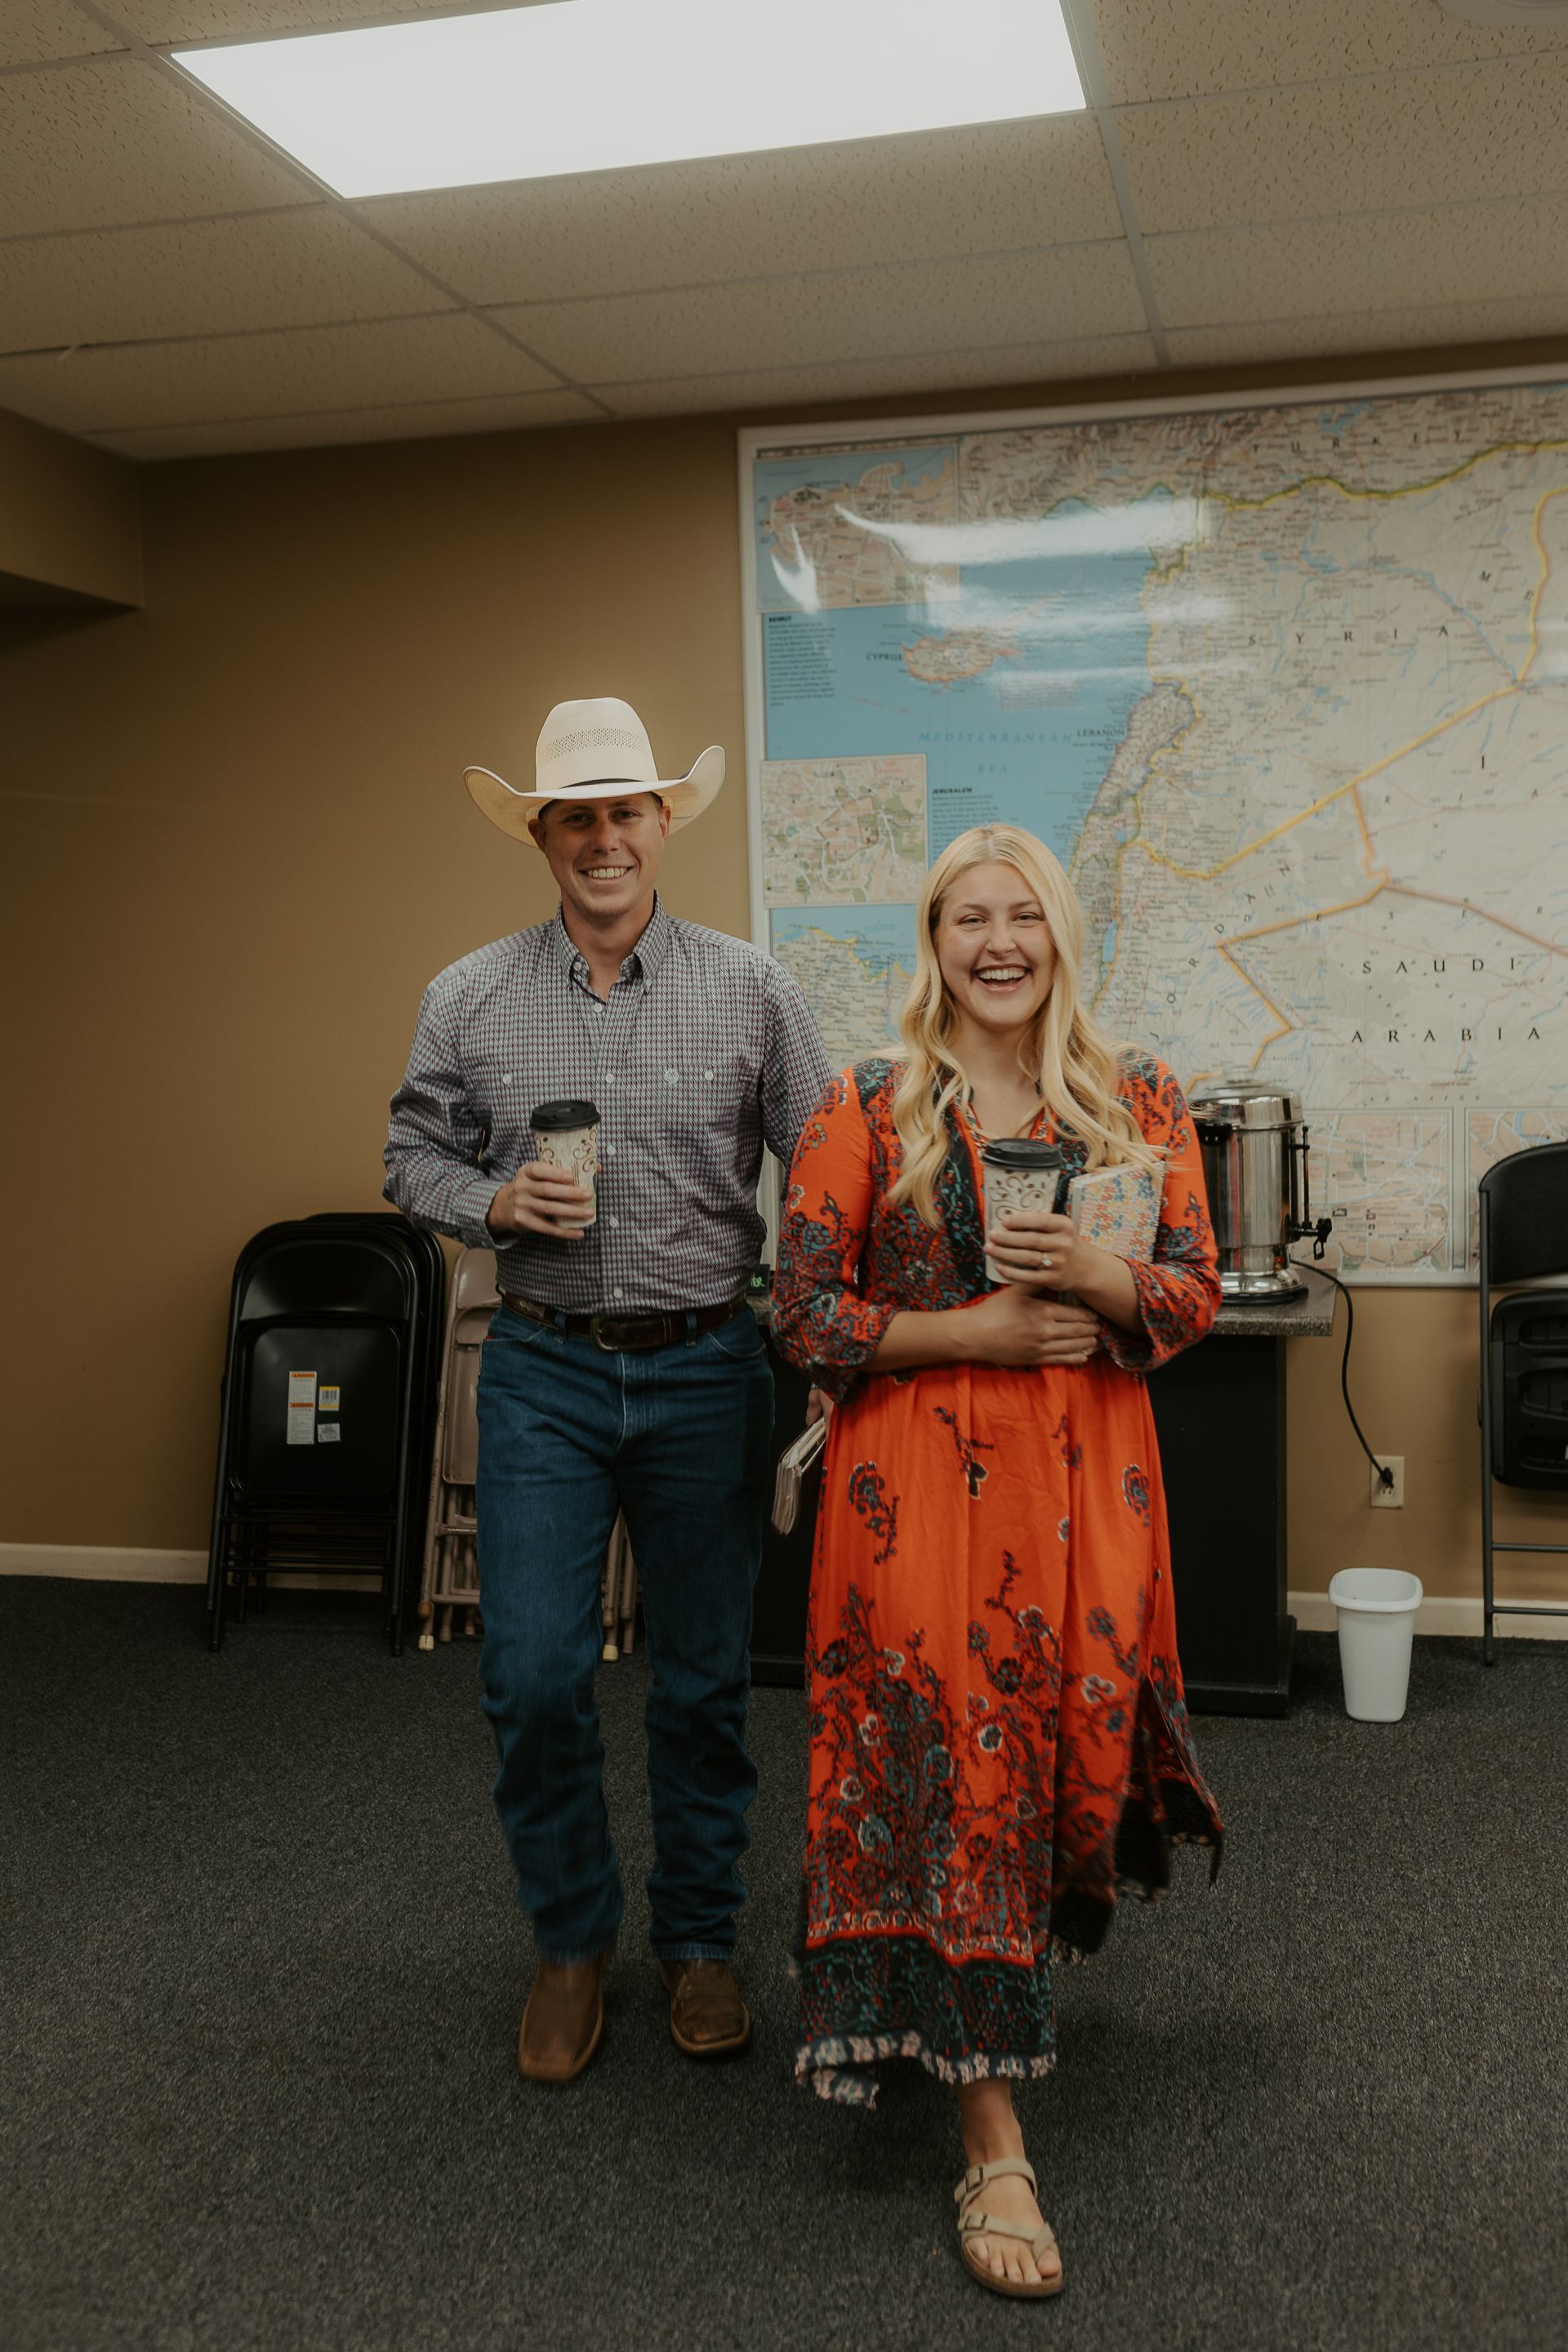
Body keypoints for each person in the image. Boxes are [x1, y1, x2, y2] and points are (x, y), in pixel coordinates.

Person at [771, 822, 1223, 2301]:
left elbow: (1193, 1294)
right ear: (934, 938)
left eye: (1023, 914)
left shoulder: (1140, 1094)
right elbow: (800, 1315)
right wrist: (966, 1331)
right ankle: (992, 2131)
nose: (998, 942)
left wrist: (1102, 1277)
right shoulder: (867, 1101)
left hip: (1092, 1492)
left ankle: (951, 1998)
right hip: (917, 1501)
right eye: (969, 918)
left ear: (1061, 932)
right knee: (953, 1767)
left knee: (1055, 1763)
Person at [385, 696, 831, 2084]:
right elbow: (411, 1156)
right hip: (543, 1373)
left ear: (661, 826)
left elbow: (824, 1166)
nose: (602, 838)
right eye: (574, 814)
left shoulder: (753, 988)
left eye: (625, 811)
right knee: (529, 1677)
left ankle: (696, 1945)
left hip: (709, 1367)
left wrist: (843, 1335)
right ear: (542, 833)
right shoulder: (467, 994)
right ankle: (572, 1945)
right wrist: (488, 1194)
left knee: (702, 1685)